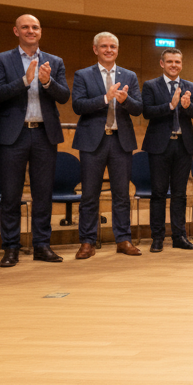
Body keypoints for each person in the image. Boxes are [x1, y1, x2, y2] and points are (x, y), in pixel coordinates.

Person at [0, 14, 69, 267]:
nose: (30, 30)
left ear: (40, 32)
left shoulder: (54, 61)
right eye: (25, 27)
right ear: (16, 31)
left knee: (43, 193)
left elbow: (64, 96)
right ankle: (11, 248)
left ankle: (41, 246)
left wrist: (47, 82)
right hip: (14, 134)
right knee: (11, 194)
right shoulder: (2, 59)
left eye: (35, 27)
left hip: (44, 134)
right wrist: (25, 80)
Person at [71, 32, 143, 259]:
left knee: (121, 194)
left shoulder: (129, 75)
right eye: (104, 46)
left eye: (112, 46)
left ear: (117, 50)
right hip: (93, 141)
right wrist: (105, 98)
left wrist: (125, 100)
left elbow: (138, 109)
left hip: (120, 142)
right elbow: (78, 105)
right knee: (89, 195)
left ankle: (123, 240)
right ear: (95, 49)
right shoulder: (83, 75)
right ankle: (87, 242)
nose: (108, 50)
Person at [141, 48, 193, 253]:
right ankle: (157, 238)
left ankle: (179, 236)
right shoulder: (151, 85)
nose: (174, 65)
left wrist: (187, 106)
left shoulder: (190, 86)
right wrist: (170, 106)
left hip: (183, 145)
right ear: (162, 64)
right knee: (158, 193)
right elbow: (147, 112)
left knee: (180, 194)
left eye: (177, 62)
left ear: (181, 64)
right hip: (159, 146)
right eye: (170, 62)